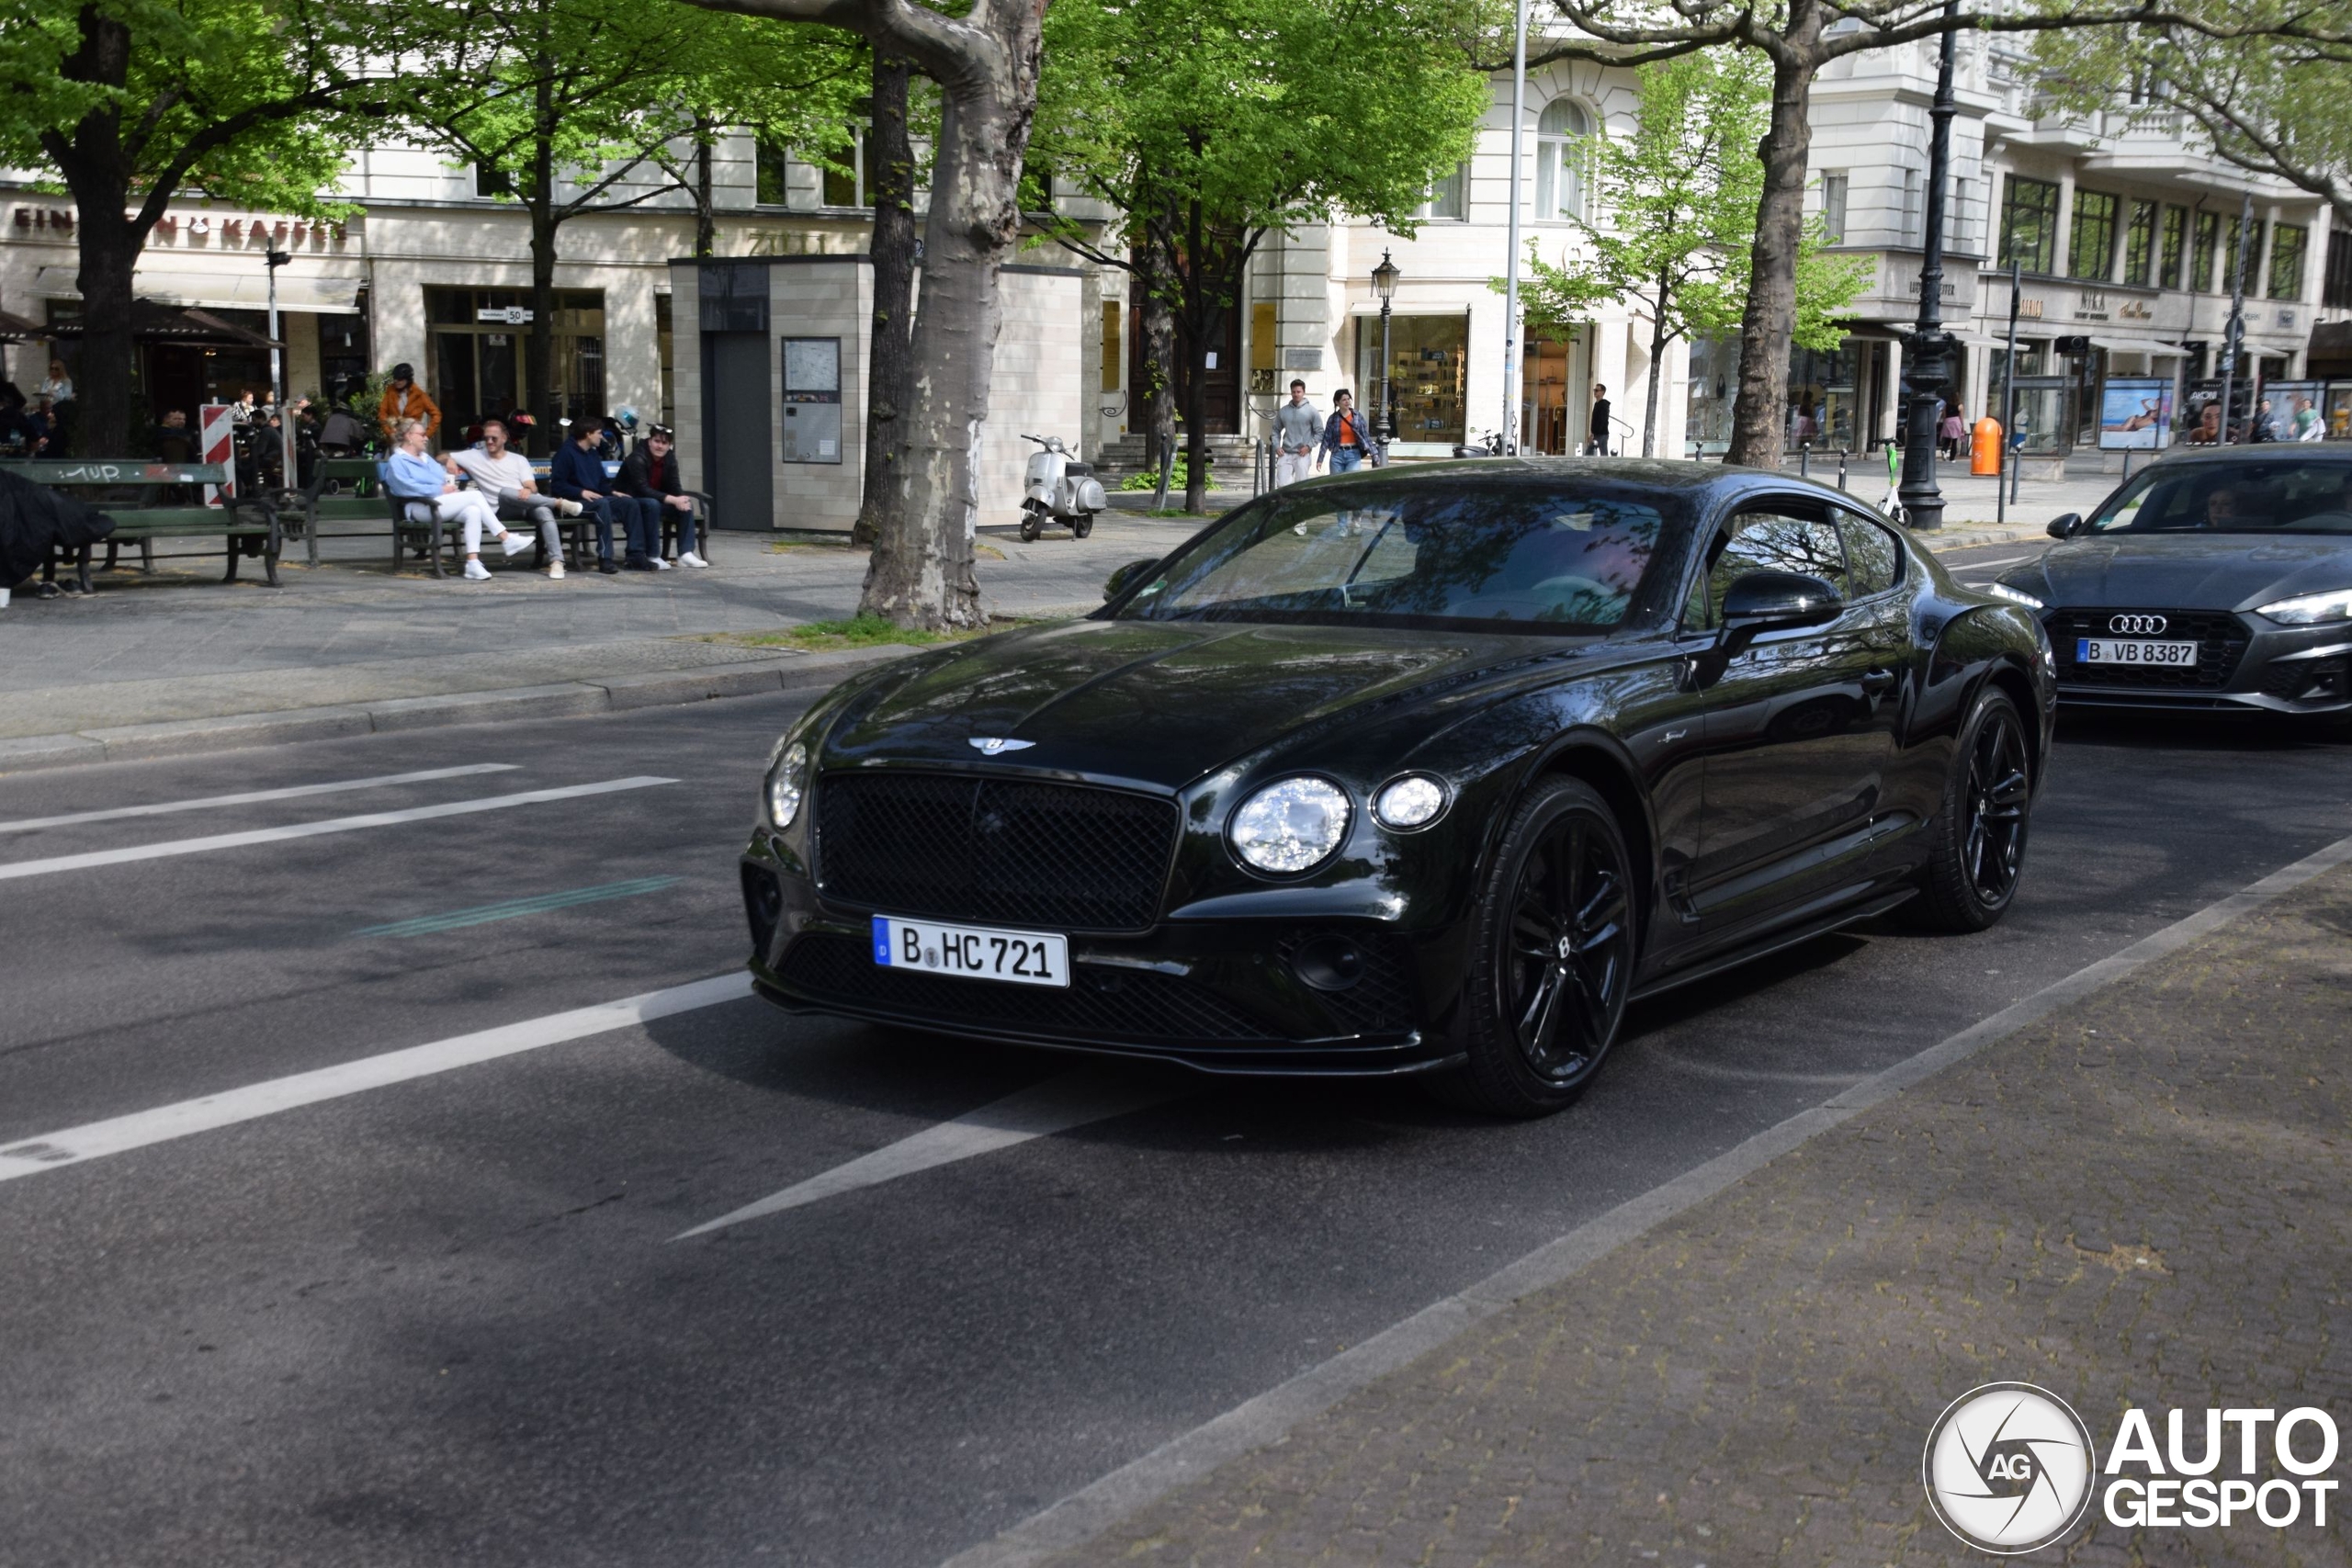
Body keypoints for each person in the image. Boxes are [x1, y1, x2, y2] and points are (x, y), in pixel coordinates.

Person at [378, 419, 529, 581]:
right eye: (422, 434)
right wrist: (439, 489)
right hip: (419, 507)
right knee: (475, 495)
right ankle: (506, 538)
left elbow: (441, 479)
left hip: (440, 504)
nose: (426, 438)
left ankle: (473, 563)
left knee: (473, 511)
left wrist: (450, 487)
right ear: (409, 436)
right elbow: (404, 487)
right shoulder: (398, 460)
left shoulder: (426, 458)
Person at [446, 417, 571, 579]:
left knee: (543, 511)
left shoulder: (518, 459)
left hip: (525, 502)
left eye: (494, 438)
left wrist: (527, 489)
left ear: (504, 438)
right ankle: (558, 503)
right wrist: (449, 459)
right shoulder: (474, 455)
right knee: (505, 492)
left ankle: (557, 562)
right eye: (486, 438)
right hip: (502, 508)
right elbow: (442, 455)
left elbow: (531, 485)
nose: (489, 442)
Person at [615, 423, 706, 568]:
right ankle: (653, 555)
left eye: (664, 443)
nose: (660, 446)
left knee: (685, 504)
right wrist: (673, 499)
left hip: (656, 499)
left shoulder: (669, 458)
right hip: (631, 500)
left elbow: (675, 485)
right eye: (657, 441)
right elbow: (642, 489)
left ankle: (685, 554)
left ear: (669, 445)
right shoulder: (637, 457)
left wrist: (681, 499)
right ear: (650, 441)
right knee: (652, 504)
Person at [548, 417, 626, 573]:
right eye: (599, 433)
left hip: (594, 500)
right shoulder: (565, 454)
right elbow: (557, 485)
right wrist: (580, 492)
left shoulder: (592, 454)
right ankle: (605, 558)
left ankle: (637, 554)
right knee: (602, 505)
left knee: (629, 503)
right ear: (588, 434)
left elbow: (602, 482)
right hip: (571, 503)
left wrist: (613, 492)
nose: (601, 437)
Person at [1271, 379, 1320, 488]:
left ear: (1303, 392)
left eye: (1298, 392)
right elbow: (1275, 430)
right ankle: (1284, 504)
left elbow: (1319, 432)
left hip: (1302, 453)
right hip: (1285, 453)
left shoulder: (1312, 411)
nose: (1296, 394)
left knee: (1301, 485)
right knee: (1282, 485)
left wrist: (1309, 446)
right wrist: (1277, 446)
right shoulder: (1283, 411)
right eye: (1293, 392)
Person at [377, 363, 441, 446]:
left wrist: (427, 435)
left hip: (414, 439)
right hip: (396, 438)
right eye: (395, 379)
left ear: (407, 379)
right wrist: (389, 432)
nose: (396, 381)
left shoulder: (419, 395)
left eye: (400, 379)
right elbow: (382, 412)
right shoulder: (390, 391)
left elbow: (436, 414)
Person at [1318, 389, 1374, 475]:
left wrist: (1374, 455)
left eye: (1348, 399)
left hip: (1353, 454)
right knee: (1336, 484)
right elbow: (1326, 439)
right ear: (1337, 402)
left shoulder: (1357, 416)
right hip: (1337, 455)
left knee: (1350, 482)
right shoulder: (1333, 419)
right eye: (1344, 400)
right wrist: (1320, 459)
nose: (1347, 402)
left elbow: (1365, 436)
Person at [1589, 384, 1611, 455]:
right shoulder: (1597, 404)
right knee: (1603, 453)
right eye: (1594, 390)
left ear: (1602, 392)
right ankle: (1604, 465)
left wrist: (1593, 434)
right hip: (1600, 433)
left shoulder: (1603, 405)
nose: (1595, 392)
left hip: (1601, 434)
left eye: (1597, 390)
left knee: (1590, 452)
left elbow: (1602, 420)